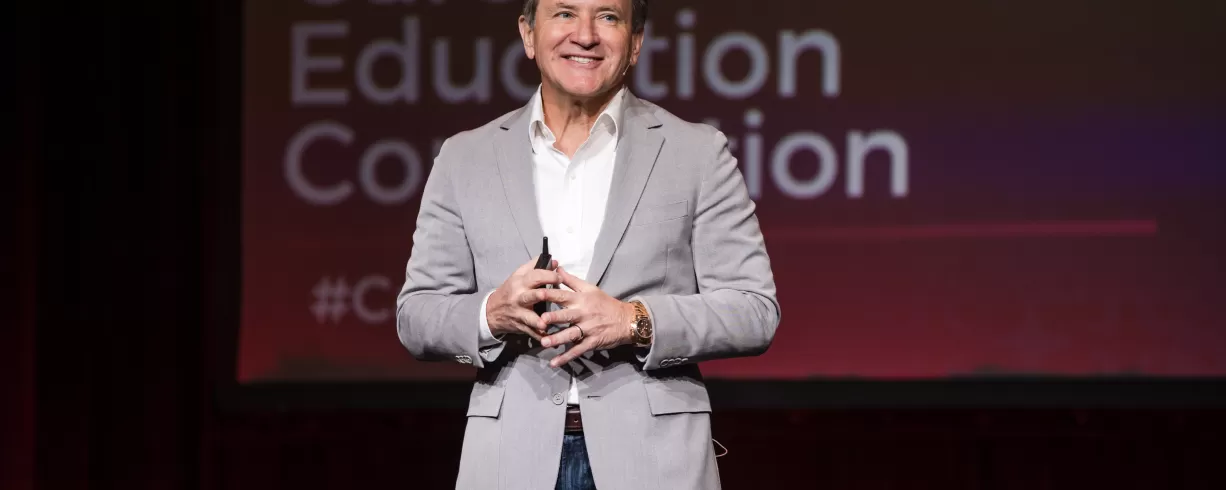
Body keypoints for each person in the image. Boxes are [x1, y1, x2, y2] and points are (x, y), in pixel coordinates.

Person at [396, 0, 780, 488]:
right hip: (510, 459)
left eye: (608, 17)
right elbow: (417, 315)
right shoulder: (464, 157)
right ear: (528, 34)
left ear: (635, 42)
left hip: (654, 461)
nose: (585, 35)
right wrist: (491, 314)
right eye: (564, 13)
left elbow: (753, 311)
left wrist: (633, 320)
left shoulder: (698, 153)